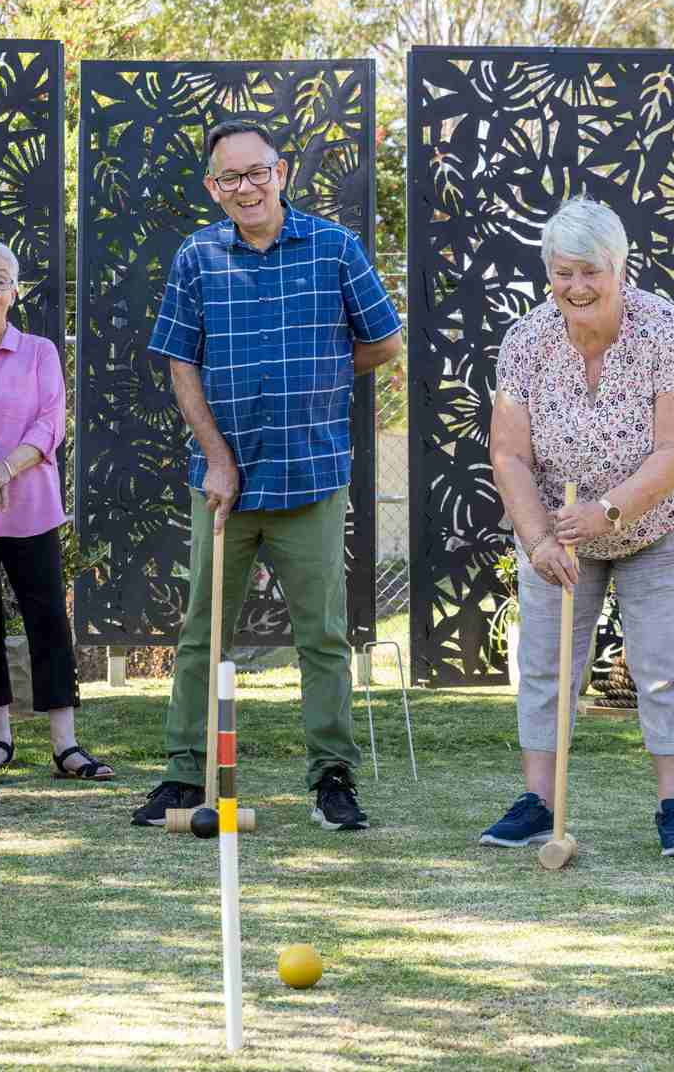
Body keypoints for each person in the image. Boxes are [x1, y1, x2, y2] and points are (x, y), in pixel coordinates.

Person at [130, 119, 403, 831]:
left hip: (310, 473)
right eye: (229, 178)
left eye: (256, 173)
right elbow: (179, 361)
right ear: (212, 188)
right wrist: (217, 458)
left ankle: (331, 777)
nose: (244, 187)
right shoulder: (196, 256)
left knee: (321, 636)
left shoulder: (334, 248)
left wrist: (322, 373)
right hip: (222, 484)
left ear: (279, 174)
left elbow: (384, 342)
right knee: (200, 635)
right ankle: (183, 776)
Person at [485, 197, 674, 857]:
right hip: (561, 535)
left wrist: (607, 510)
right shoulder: (526, 341)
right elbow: (509, 454)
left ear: (619, 268)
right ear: (548, 274)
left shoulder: (663, 329)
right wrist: (538, 541)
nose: (577, 287)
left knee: (662, 664)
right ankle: (537, 803)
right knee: (545, 663)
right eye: (563, 272)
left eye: (591, 271)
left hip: (657, 525)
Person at [0, 237, 113, 781]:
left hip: (29, 506)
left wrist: (5, 468)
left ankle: (66, 744)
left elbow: (50, 422)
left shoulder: (40, 352)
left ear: (14, 292)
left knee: (47, 619)